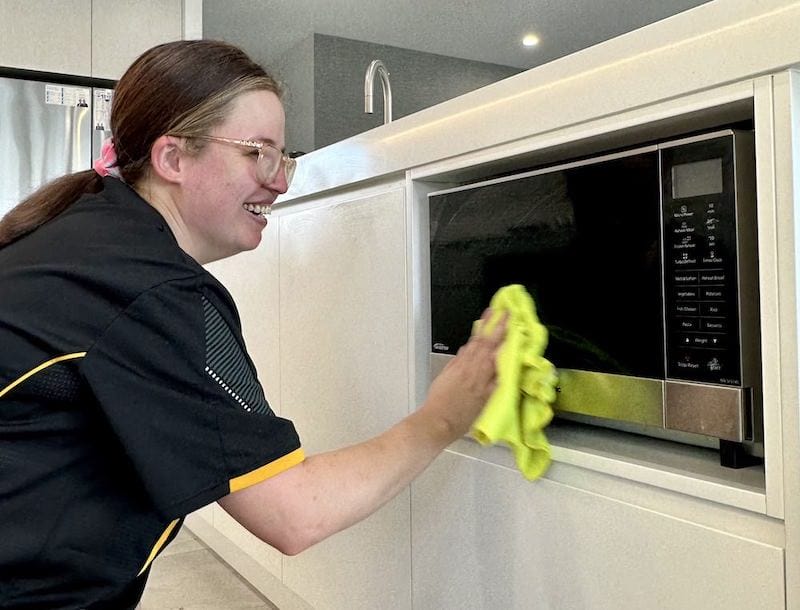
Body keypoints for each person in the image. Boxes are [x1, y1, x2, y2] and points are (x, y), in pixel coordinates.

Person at [0, 40, 505, 609]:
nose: (281, 181)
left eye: (283, 156)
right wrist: (442, 417)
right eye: (256, 153)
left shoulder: (95, 237)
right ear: (173, 159)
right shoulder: (151, 289)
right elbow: (294, 513)